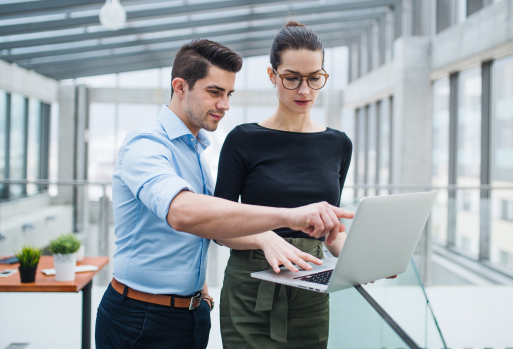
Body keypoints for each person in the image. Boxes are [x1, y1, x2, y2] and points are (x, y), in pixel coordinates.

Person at [94, 38, 354, 349]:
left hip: (191, 312)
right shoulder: (145, 145)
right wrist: (278, 224)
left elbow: (207, 228)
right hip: (141, 315)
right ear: (180, 87)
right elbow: (182, 213)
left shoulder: (196, 153)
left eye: (229, 94)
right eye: (215, 92)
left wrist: (199, 293)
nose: (225, 105)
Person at [214, 22, 355, 348]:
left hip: (312, 284)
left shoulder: (339, 144)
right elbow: (218, 226)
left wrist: (364, 262)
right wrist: (264, 238)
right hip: (250, 286)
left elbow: (333, 231)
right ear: (272, 75)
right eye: (292, 79)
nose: (304, 90)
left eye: (314, 78)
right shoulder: (243, 140)